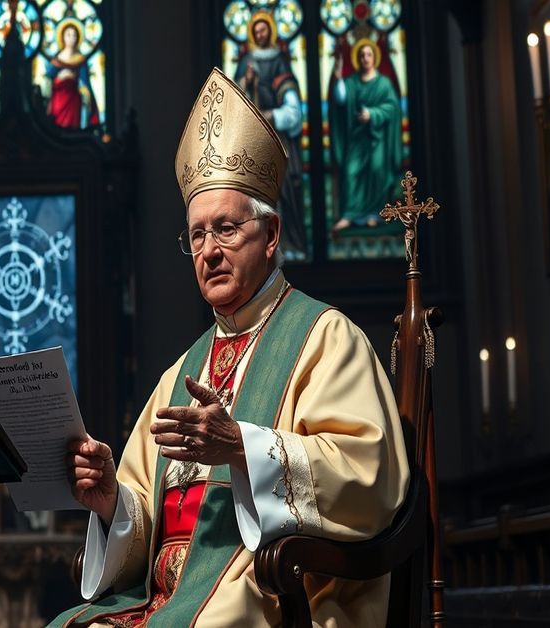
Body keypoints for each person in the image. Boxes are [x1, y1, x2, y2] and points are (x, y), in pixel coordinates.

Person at [49, 68, 409, 626]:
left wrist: (242, 444)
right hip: (168, 597)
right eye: (197, 235)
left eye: (226, 229)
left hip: (269, 590)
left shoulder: (326, 338)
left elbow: (369, 478)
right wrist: (109, 503)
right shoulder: (180, 371)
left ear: (271, 237)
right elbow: (145, 512)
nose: (209, 251)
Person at [234, 12, 307, 260]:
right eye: (257, 30)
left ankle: (292, 248)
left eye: (264, 29)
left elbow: (293, 109)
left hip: (279, 142)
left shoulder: (279, 62)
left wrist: (271, 117)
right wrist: (246, 81)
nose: (260, 34)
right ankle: (259, 253)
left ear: (271, 31)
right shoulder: (246, 62)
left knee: (286, 193)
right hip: (253, 145)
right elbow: (235, 102)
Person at [329, 39, 403, 234]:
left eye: (369, 54)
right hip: (357, 138)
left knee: (377, 169)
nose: (365, 58)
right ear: (357, 59)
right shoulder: (352, 82)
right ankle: (349, 215)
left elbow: (393, 108)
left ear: (375, 58)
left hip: (378, 140)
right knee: (351, 172)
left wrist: (372, 114)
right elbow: (341, 100)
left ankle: (373, 214)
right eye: (362, 55)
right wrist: (338, 79)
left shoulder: (383, 84)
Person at [45, 22, 100, 129]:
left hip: (73, 99)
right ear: (62, 37)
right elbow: (48, 78)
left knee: (72, 129)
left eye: (74, 35)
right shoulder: (57, 59)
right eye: (68, 35)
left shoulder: (80, 60)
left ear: (78, 38)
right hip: (58, 99)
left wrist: (85, 91)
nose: (71, 38)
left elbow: (85, 82)